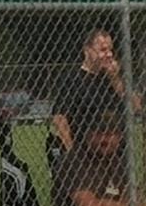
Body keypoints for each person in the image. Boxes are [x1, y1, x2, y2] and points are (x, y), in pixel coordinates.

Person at [47, 28, 141, 175]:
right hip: (86, 155)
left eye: (110, 50)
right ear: (87, 50)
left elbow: (136, 107)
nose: (109, 54)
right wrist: (74, 155)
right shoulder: (72, 79)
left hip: (116, 158)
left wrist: (115, 79)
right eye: (102, 50)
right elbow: (59, 119)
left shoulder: (114, 79)